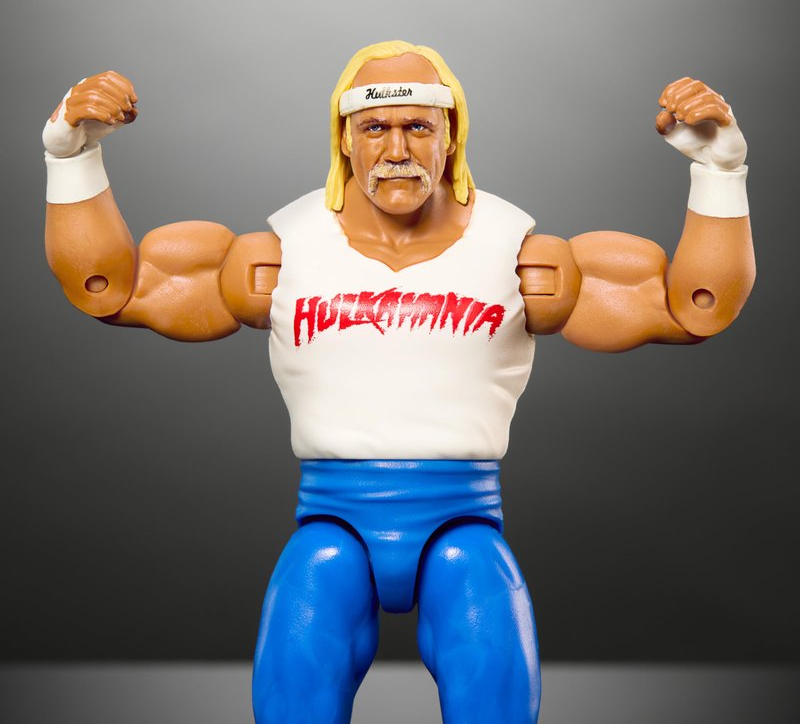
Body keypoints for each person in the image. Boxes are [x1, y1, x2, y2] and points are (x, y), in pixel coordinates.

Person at [42, 40, 755, 724]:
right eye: (375, 127)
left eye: (418, 126)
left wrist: (720, 172)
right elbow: (114, 288)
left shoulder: (522, 257)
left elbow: (691, 307)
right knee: (299, 658)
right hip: (333, 520)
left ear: (452, 135)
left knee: (492, 665)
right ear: (344, 138)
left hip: (463, 519)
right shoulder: (278, 256)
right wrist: (72, 159)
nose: (395, 149)